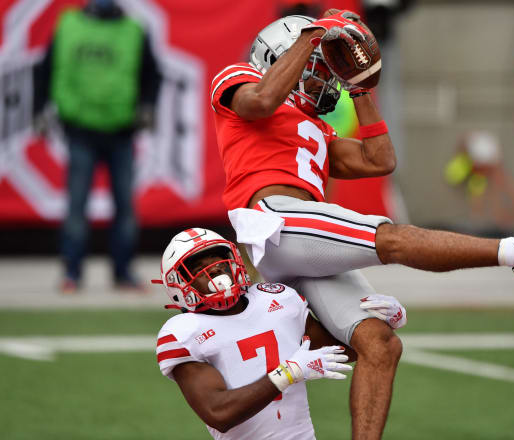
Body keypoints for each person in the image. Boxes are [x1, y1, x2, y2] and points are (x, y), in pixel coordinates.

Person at [210, 11, 514, 439]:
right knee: (389, 237)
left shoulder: (316, 128)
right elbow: (261, 101)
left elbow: (381, 159)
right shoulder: (238, 77)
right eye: (319, 66)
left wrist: (359, 90)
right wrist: (315, 33)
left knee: (379, 343)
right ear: (279, 55)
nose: (327, 77)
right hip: (273, 220)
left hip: (302, 242)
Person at [154, 227, 407, 439]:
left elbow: (350, 350)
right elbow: (219, 413)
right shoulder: (183, 333)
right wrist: (288, 373)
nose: (215, 271)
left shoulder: (276, 299)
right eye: (198, 267)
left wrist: (381, 323)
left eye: (218, 262)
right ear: (178, 284)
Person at [32, 0, 161, 293]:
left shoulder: (133, 29)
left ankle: (123, 272)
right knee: (77, 207)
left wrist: (148, 105)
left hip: (121, 131)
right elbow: (45, 69)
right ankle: (72, 272)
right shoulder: (69, 25)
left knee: (124, 208)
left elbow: (152, 74)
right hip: (80, 128)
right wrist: (39, 108)